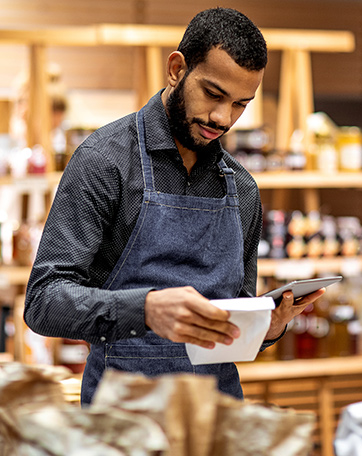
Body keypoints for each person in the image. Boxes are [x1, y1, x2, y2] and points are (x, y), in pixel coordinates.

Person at [24, 7, 325, 405]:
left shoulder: (243, 189)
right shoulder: (105, 161)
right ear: (176, 69)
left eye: (240, 104)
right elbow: (44, 301)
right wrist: (145, 309)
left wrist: (265, 328)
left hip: (216, 420)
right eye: (213, 94)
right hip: (122, 424)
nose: (222, 118)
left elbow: (233, 323)